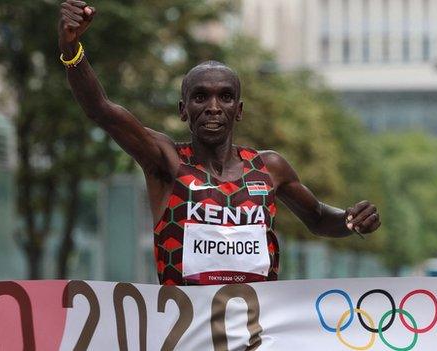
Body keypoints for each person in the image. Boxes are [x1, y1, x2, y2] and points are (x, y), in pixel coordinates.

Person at [58, 0, 381, 285]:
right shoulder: (167, 161)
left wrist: (351, 220)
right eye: (200, 97)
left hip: (255, 333)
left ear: (238, 110)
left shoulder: (270, 168)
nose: (213, 107)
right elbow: (100, 109)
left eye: (225, 97)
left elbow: (320, 218)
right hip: (187, 332)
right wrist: (72, 49)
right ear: (184, 110)